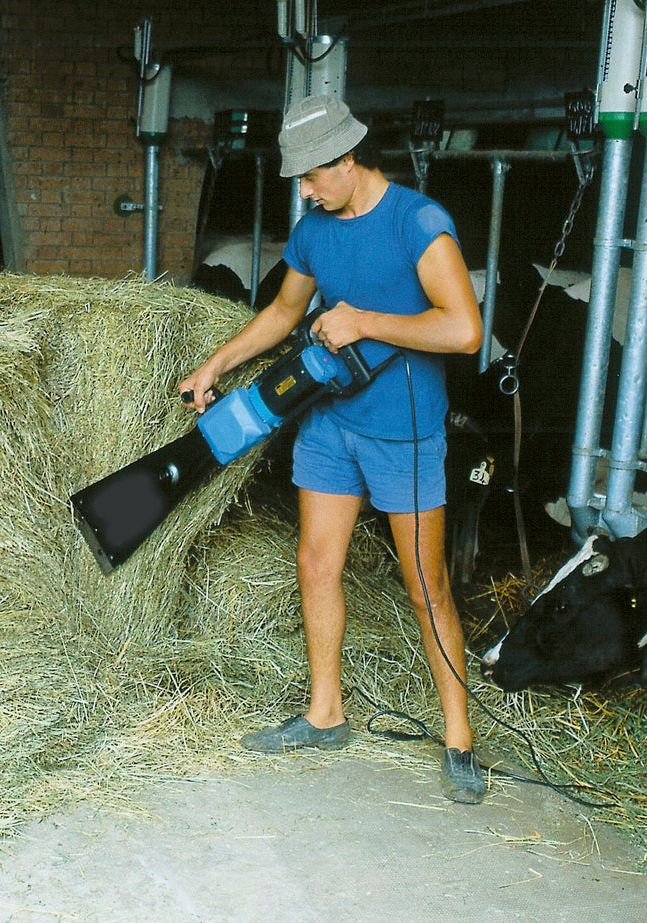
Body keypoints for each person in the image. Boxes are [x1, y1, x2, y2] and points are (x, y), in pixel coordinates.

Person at [178, 94, 487, 804]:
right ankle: (326, 712)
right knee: (317, 562)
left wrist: (365, 321)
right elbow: (286, 312)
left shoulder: (420, 223)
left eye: (313, 177)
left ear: (348, 161)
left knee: (425, 584)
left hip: (403, 429)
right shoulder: (316, 231)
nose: (306, 191)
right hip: (331, 420)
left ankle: (460, 737)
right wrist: (216, 366)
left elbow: (463, 331)